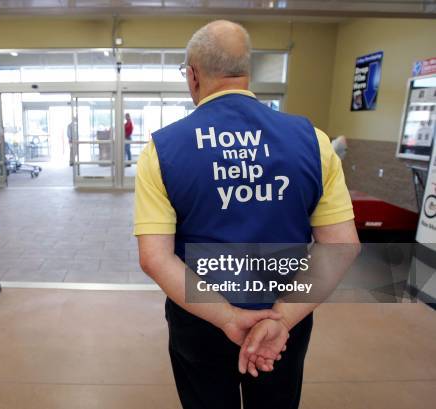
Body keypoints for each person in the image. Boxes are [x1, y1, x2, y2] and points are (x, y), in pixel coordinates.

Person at [134, 20, 359, 409]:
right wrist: (282, 319)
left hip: (201, 321)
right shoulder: (313, 141)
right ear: (246, 72)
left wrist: (226, 317)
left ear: (192, 75)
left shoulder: (163, 150)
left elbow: (155, 257)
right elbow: (341, 245)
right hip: (283, 321)